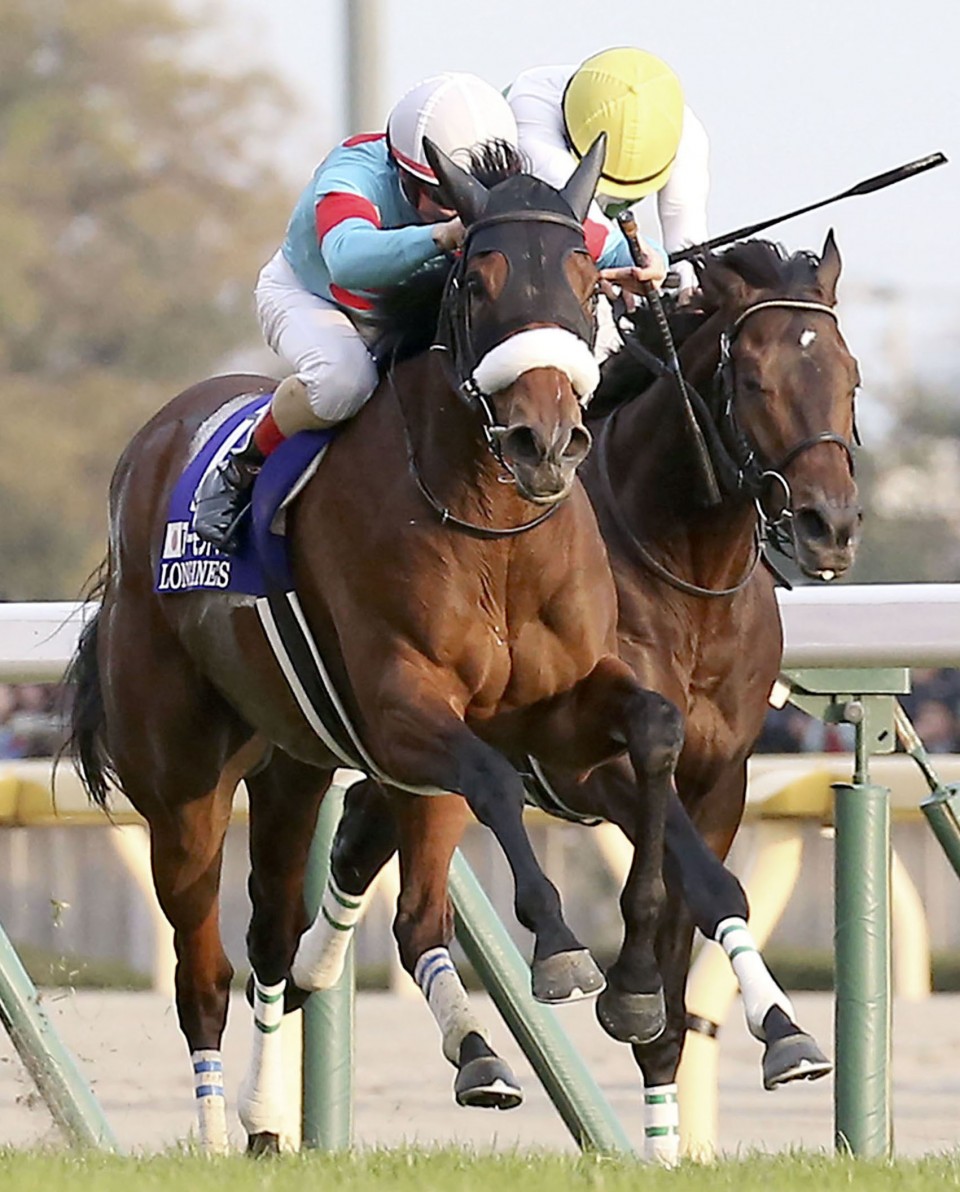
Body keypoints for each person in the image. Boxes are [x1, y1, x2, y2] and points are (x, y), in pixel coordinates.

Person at [193, 68, 667, 552]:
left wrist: (650, 264)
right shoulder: (353, 172)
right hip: (321, 300)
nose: (453, 208)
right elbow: (346, 258)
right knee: (343, 383)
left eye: (462, 194)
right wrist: (439, 237)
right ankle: (244, 464)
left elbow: (621, 248)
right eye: (440, 194)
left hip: (413, 304)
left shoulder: (493, 196)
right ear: (400, 170)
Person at [506, 47, 709, 309]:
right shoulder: (530, 108)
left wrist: (689, 285)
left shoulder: (684, 131)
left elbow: (687, 234)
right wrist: (650, 262)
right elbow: (587, 227)